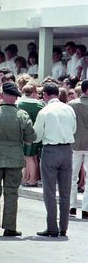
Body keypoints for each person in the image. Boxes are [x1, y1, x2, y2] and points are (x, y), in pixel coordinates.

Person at [0, 82, 36, 237]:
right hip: (14, 159)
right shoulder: (22, 115)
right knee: (11, 193)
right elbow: (31, 138)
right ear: (16, 98)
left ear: (2, 96)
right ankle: (10, 228)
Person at [34, 82, 76, 237]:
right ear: (57, 94)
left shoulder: (44, 111)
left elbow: (37, 135)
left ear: (45, 95)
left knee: (49, 191)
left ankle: (52, 227)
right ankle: (63, 227)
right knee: (65, 191)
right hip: (66, 149)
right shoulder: (69, 109)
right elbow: (74, 129)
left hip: (50, 150)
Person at [69, 80, 88, 219]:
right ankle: (86, 208)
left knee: (72, 177)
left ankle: (72, 206)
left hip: (75, 144)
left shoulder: (72, 104)